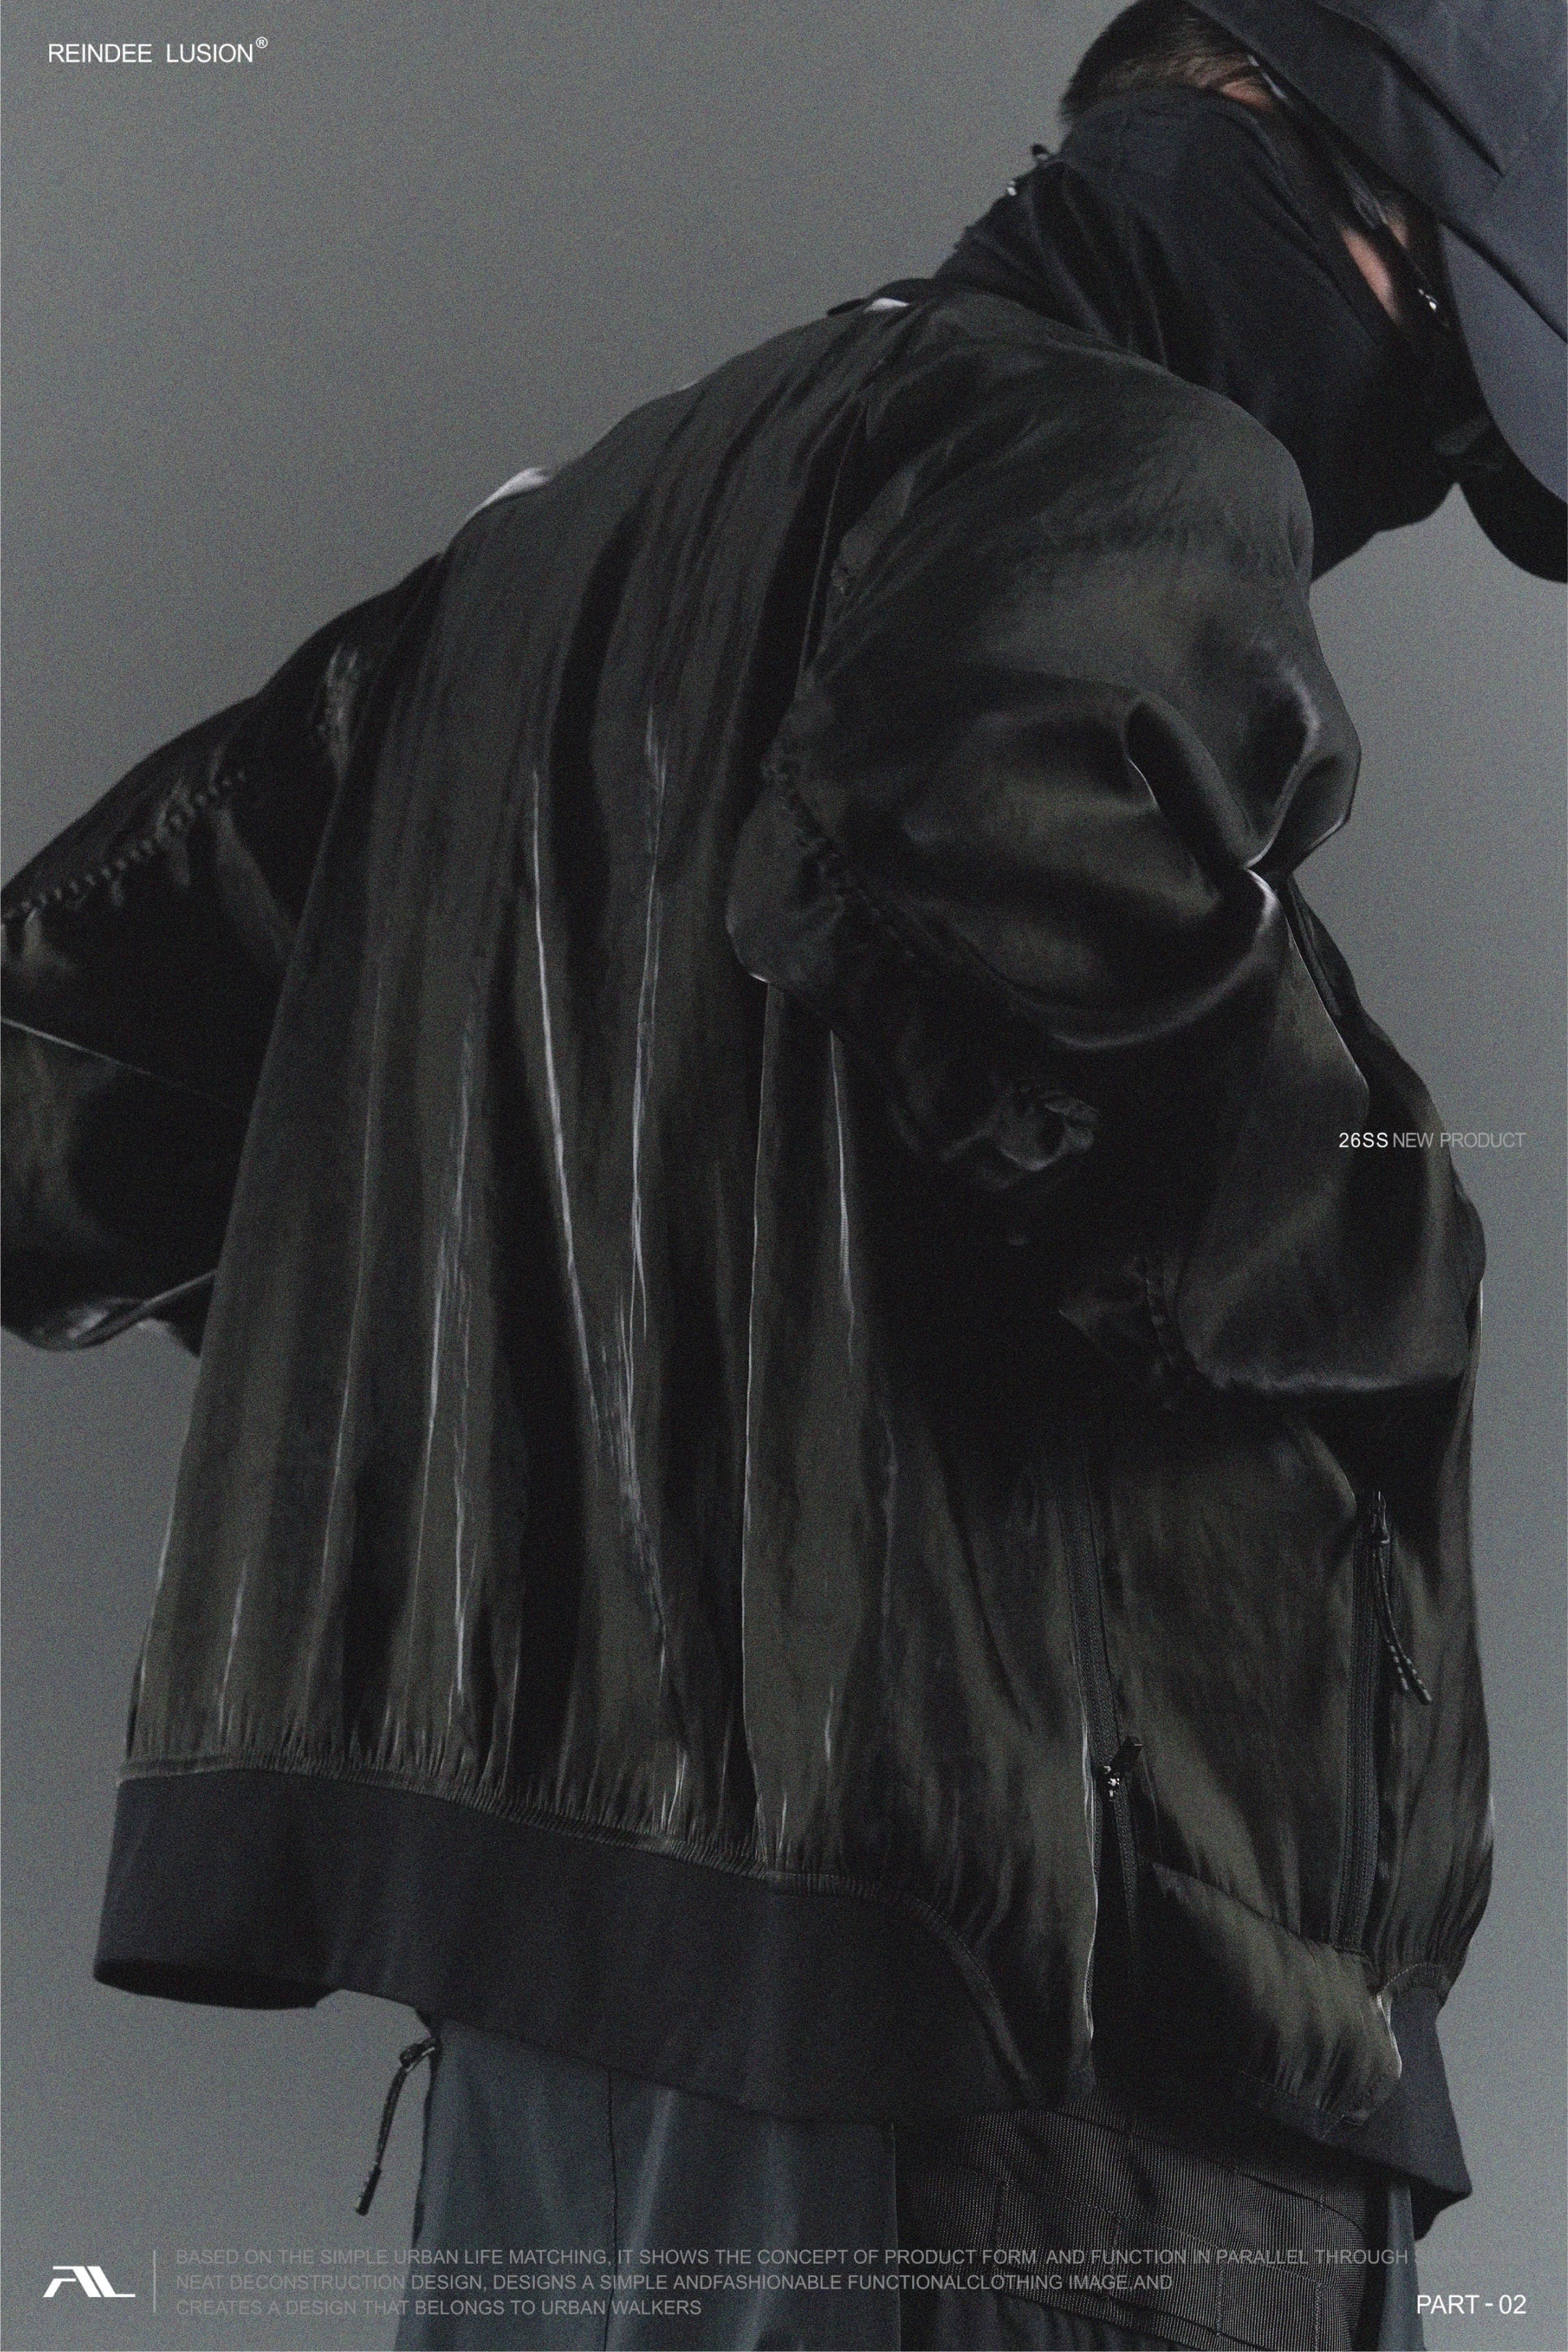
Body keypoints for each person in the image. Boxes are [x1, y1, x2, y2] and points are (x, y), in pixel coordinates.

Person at [3, 2, 1562, 2346]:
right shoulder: (1122, 454)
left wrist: (518, 1282)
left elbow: (69, 1067)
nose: (1426, 453)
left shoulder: (554, 559)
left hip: (579, 2033)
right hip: (1026, 2049)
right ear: (1240, 121)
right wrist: (1389, 1242)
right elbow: (976, 856)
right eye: (1434, 334)